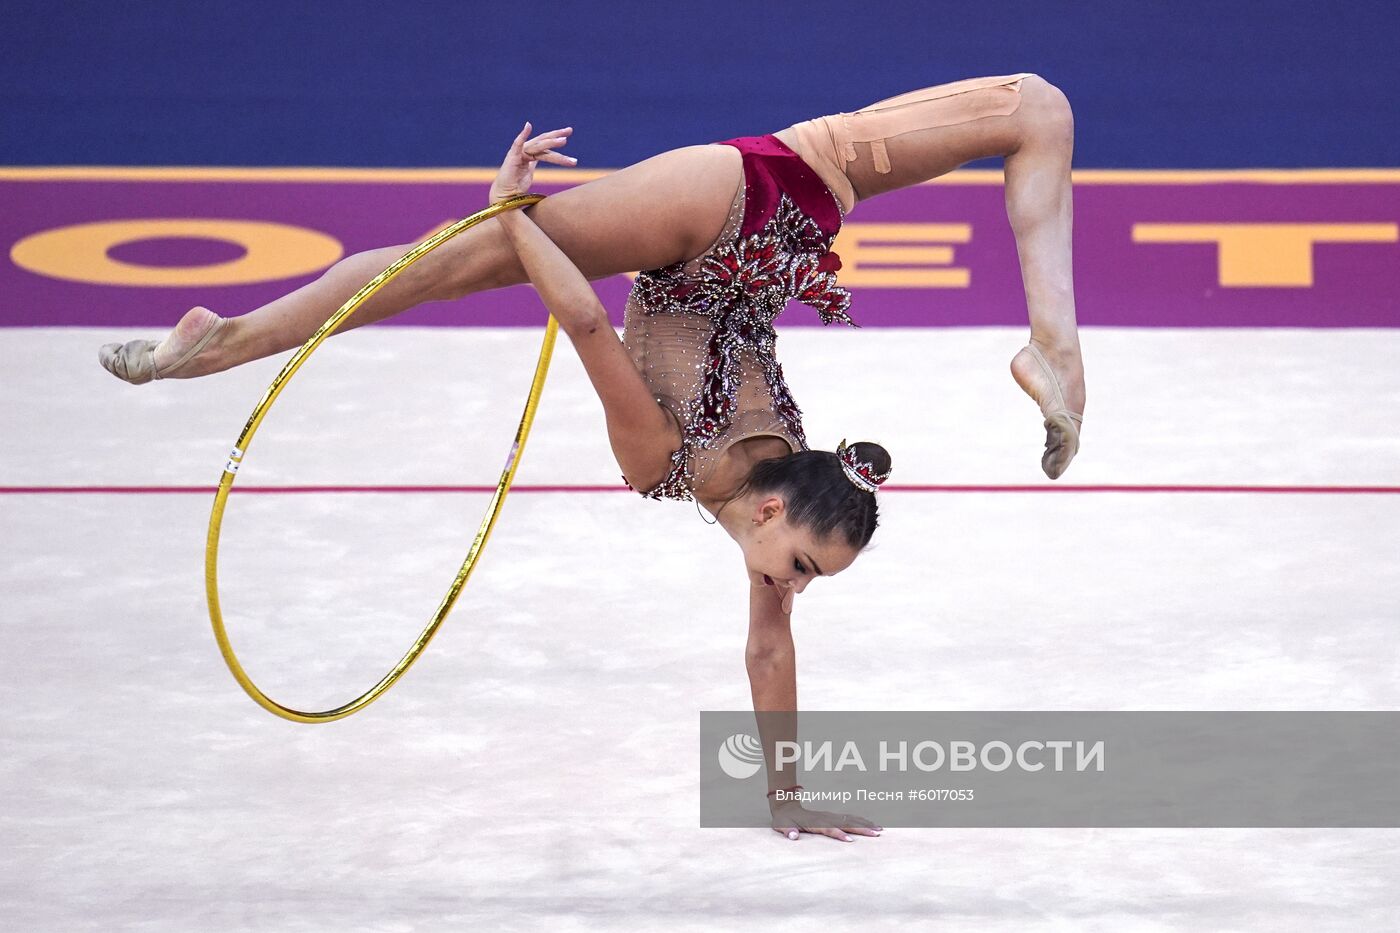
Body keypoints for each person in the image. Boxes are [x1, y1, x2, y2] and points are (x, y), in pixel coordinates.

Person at [99, 73, 1086, 842]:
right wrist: (510, 213)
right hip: (723, 212)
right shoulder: (660, 462)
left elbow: (766, 646)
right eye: (802, 570)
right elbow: (573, 316)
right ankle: (222, 340)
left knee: (1034, 109)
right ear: (775, 517)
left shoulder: (773, 493)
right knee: (461, 258)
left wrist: (785, 793)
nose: (795, 590)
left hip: (785, 204)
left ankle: (1051, 349)